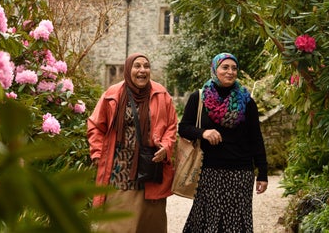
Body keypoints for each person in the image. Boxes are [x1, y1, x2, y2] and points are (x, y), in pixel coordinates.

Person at [178, 52, 269, 233]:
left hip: (240, 173)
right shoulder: (199, 98)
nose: (230, 72)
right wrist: (203, 133)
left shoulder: (246, 101)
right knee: (207, 222)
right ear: (214, 69)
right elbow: (183, 128)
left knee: (236, 224)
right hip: (209, 171)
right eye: (225, 67)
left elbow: (255, 138)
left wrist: (263, 173)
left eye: (234, 68)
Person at [87, 53, 177, 233]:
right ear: (128, 69)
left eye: (146, 66)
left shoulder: (161, 94)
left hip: (150, 170)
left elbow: (171, 127)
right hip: (119, 171)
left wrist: (166, 147)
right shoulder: (113, 94)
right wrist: (97, 153)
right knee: (117, 224)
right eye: (137, 66)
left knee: (149, 224)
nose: (142, 70)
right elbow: (95, 125)